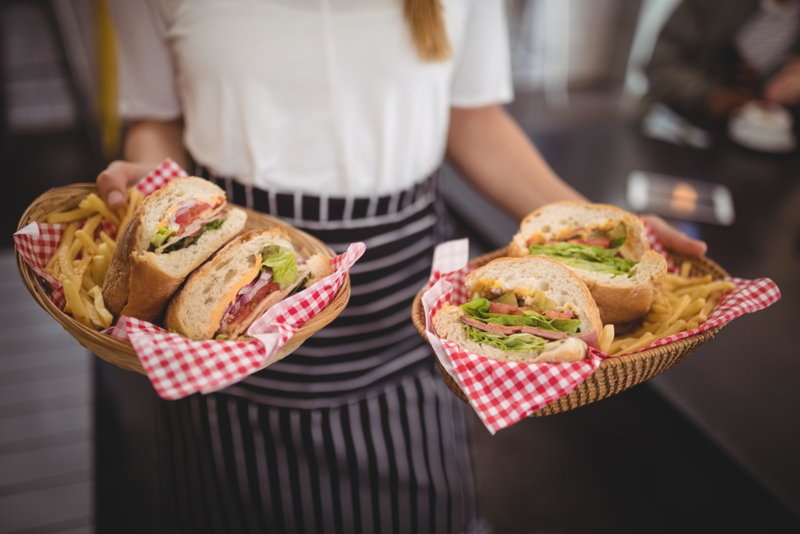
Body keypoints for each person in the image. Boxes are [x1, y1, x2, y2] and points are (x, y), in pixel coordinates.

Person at [98, 1, 706, 532]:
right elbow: (156, 118)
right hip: (221, 324)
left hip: (405, 321)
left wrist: (597, 235)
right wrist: (155, 201)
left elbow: (472, 119)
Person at [647, 0, 800, 127]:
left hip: (768, 142)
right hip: (680, 124)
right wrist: (710, 96)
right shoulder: (716, 5)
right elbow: (661, 65)